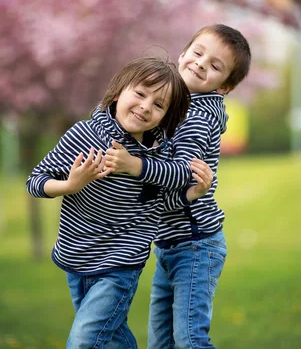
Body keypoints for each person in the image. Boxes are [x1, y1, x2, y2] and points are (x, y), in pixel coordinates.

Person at [26, 56, 215, 349]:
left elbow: (159, 203)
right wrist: (70, 185)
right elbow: (36, 181)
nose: (145, 106)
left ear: (165, 117)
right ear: (118, 92)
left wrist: (193, 194)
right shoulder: (84, 135)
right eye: (140, 94)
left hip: (120, 265)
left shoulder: (157, 157)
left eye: (158, 105)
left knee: (83, 342)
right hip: (78, 258)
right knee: (112, 339)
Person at [104, 24, 251, 348]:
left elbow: (182, 172)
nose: (200, 64)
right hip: (170, 244)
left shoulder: (198, 117)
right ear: (183, 54)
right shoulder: (169, 104)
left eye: (215, 66)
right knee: (161, 342)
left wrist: (135, 165)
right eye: (198, 53)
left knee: (189, 339)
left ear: (224, 87)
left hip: (195, 243)